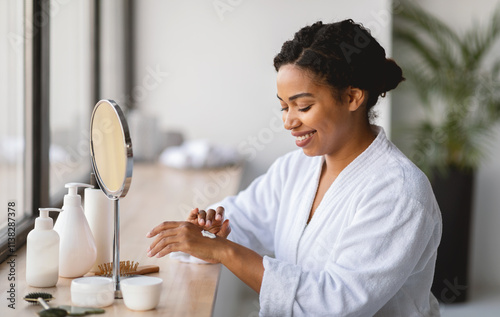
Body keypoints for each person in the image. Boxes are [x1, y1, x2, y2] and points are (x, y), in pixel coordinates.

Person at [146, 19, 442, 316]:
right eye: (284, 107)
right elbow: (244, 219)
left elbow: (335, 303)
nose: (288, 121)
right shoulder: (295, 169)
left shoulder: (399, 191)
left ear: (352, 97)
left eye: (303, 107)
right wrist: (210, 233)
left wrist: (224, 251)